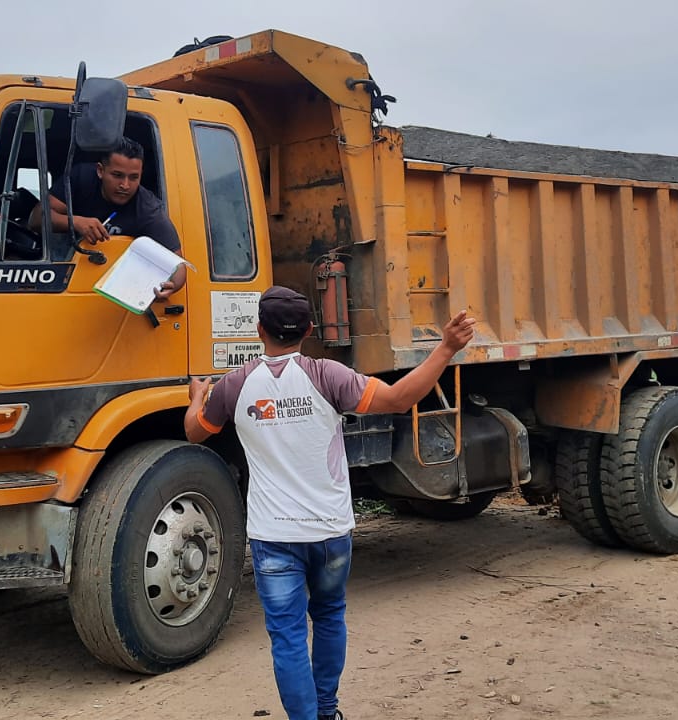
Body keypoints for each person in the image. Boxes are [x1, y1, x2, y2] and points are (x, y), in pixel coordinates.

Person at [184, 286, 477, 720]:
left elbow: (195, 431)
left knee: (287, 637)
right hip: (330, 532)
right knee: (329, 615)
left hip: (273, 536)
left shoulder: (235, 385)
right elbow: (400, 399)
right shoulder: (329, 376)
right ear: (309, 330)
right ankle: (327, 711)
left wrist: (196, 399)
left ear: (259, 330)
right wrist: (447, 347)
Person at [30, 137, 186, 302]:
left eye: (134, 177)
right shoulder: (81, 178)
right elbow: (35, 219)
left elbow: (178, 265)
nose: (125, 185)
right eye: (117, 175)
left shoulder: (147, 208)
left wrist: (172, 285)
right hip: (59, 281)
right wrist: (75, 222)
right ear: (100, 170)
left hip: (111, 294)